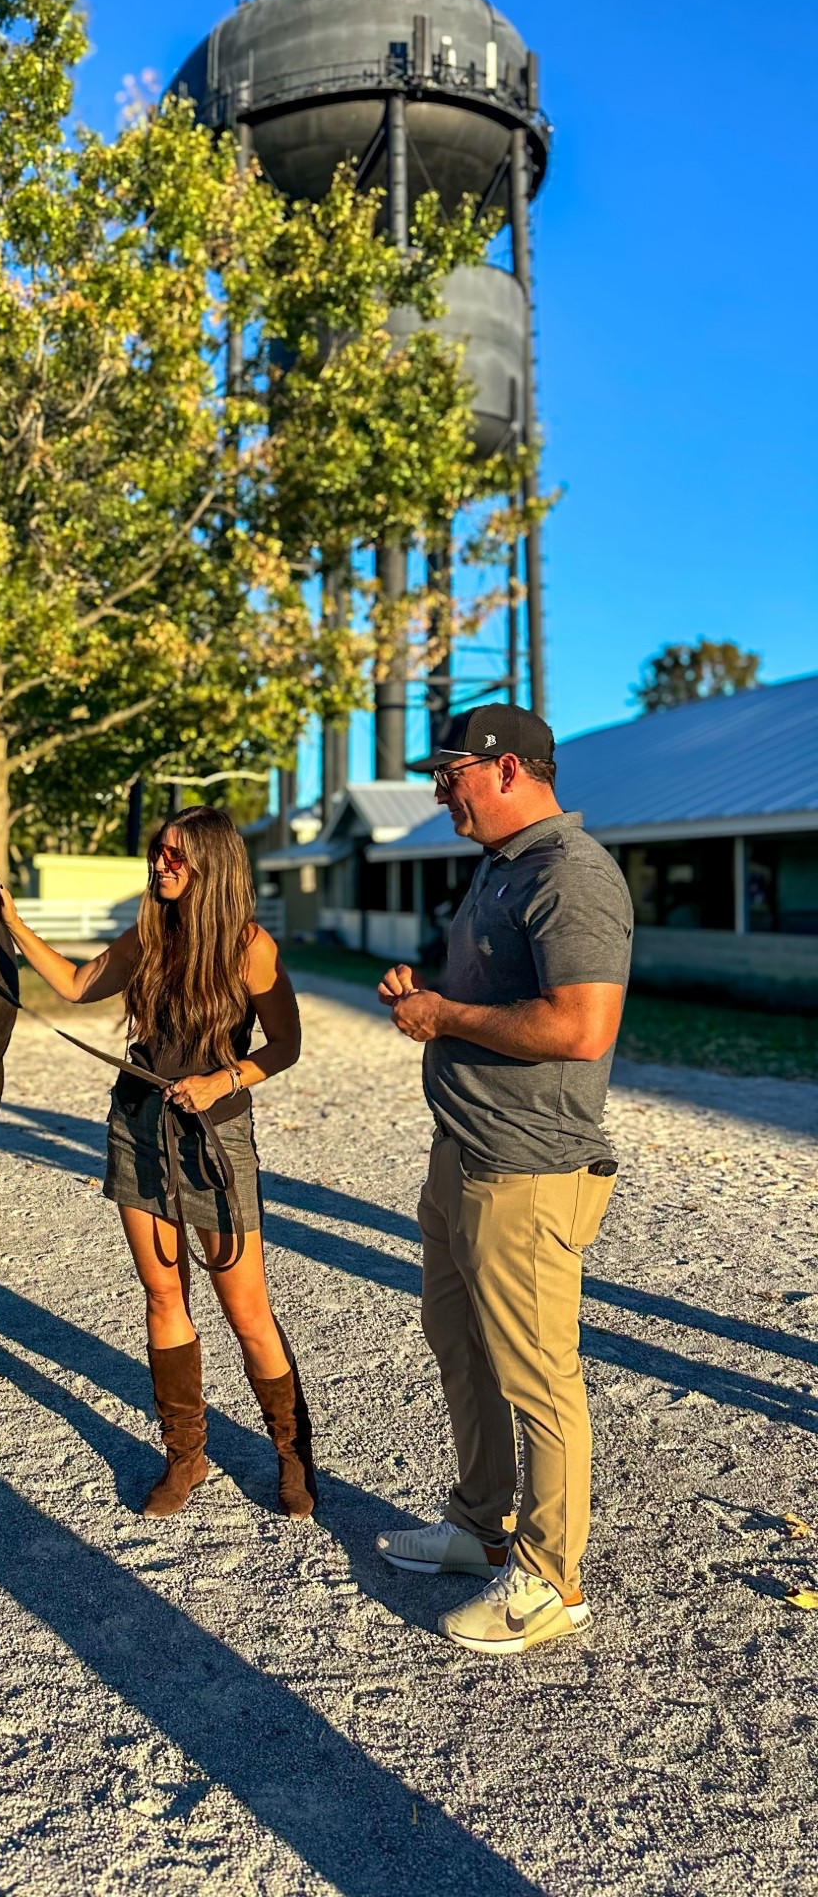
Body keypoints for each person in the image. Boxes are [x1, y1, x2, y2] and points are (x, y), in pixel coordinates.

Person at [375, 703, 633, 1655]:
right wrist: (431, 1003)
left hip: (528, 1171)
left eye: (453, 777)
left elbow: (580, 1027)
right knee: (461, 1348)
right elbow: (495, 999)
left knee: (539, 1380)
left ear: (511, 770)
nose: (442, 794)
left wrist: (443, 1017)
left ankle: (552, 1582)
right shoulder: (501, 866)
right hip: (462, 1158)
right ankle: (481, 1527)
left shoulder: (575, 877)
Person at [0, 806, 316, 1520]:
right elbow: (80, 984)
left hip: (215, 1137)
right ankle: (185, 1456)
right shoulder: (149, 934)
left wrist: (222, 1079)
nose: (160, 864)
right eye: (157, 852)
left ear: (212, 864)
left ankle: (292, 1455)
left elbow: (285, 1045)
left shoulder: (248, 947)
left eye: (175, 855)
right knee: (162, 1295)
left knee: (247, 1310)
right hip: (137, 1126)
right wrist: (14, 925)